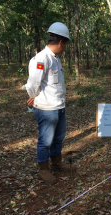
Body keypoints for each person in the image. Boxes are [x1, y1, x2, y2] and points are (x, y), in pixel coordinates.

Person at [25, 22, 72, 185]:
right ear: (61, 42)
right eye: (65, 44)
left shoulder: (55, 59)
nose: (65, 48)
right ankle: (44, 168)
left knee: (58, 137)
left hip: (59, 106)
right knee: (46, 140)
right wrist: (34, 97)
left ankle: (57, 163)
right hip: (46, 109)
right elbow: (32, 85)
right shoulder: (41, 59)